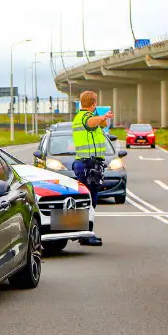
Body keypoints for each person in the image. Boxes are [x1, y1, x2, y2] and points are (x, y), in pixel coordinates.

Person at [71, 91, 112, 247]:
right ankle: (85, 234)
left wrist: (103, 120)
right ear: (94, 103)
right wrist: (101, 117)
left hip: (88, 163)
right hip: (88, 164)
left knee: (88, 200)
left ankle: (85, 233)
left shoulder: (82, 117)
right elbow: (91, 122)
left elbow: (98, 124)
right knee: (89, 201)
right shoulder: (85, 117)